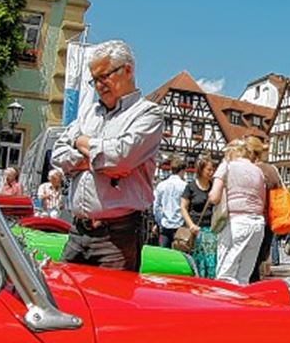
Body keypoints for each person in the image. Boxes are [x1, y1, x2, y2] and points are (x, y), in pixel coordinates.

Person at [51, 39, 162, 271]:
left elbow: (120, 158)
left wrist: (79, 142)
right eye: (95, 80)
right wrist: (97, 159)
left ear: (127, 70)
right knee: (64, 290)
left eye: (104, 77)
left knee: (111, 295)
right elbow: (58, 153)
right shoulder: (88, 113)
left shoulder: (148, 114)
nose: (99, 86)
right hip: (78, 231)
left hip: (118, 236)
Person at [209, 140, 266, 284]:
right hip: (257, 223)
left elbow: (214, 197)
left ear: (230, 152)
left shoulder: (227, 166)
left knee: (225, 275)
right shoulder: (258, 170)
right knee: (243, 276)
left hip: (236, 222)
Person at [246, 136, 282, 282]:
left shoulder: (245, 169)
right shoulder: (271, 170)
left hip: (247, 218)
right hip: (266, 221)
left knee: (245, 262)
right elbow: (279, 193)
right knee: (258, 259)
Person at [180, 155, 218, 278]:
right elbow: (183, 207)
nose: (211, 172)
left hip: (211, 231)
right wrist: (191, 225)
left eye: (213, 170)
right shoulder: (191, 187)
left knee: (211, 263)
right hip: (195, 231)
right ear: (201, 170)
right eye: (209, 170)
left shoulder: (214, 188)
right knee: (197, 262)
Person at [153, 155, 188, 249]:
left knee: (163, 254)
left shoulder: (161, 185)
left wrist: (159, 222)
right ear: (182, 171)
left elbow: (156, 207)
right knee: (178, 254)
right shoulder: (185, 186)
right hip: (180, 225)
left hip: (165, 225)